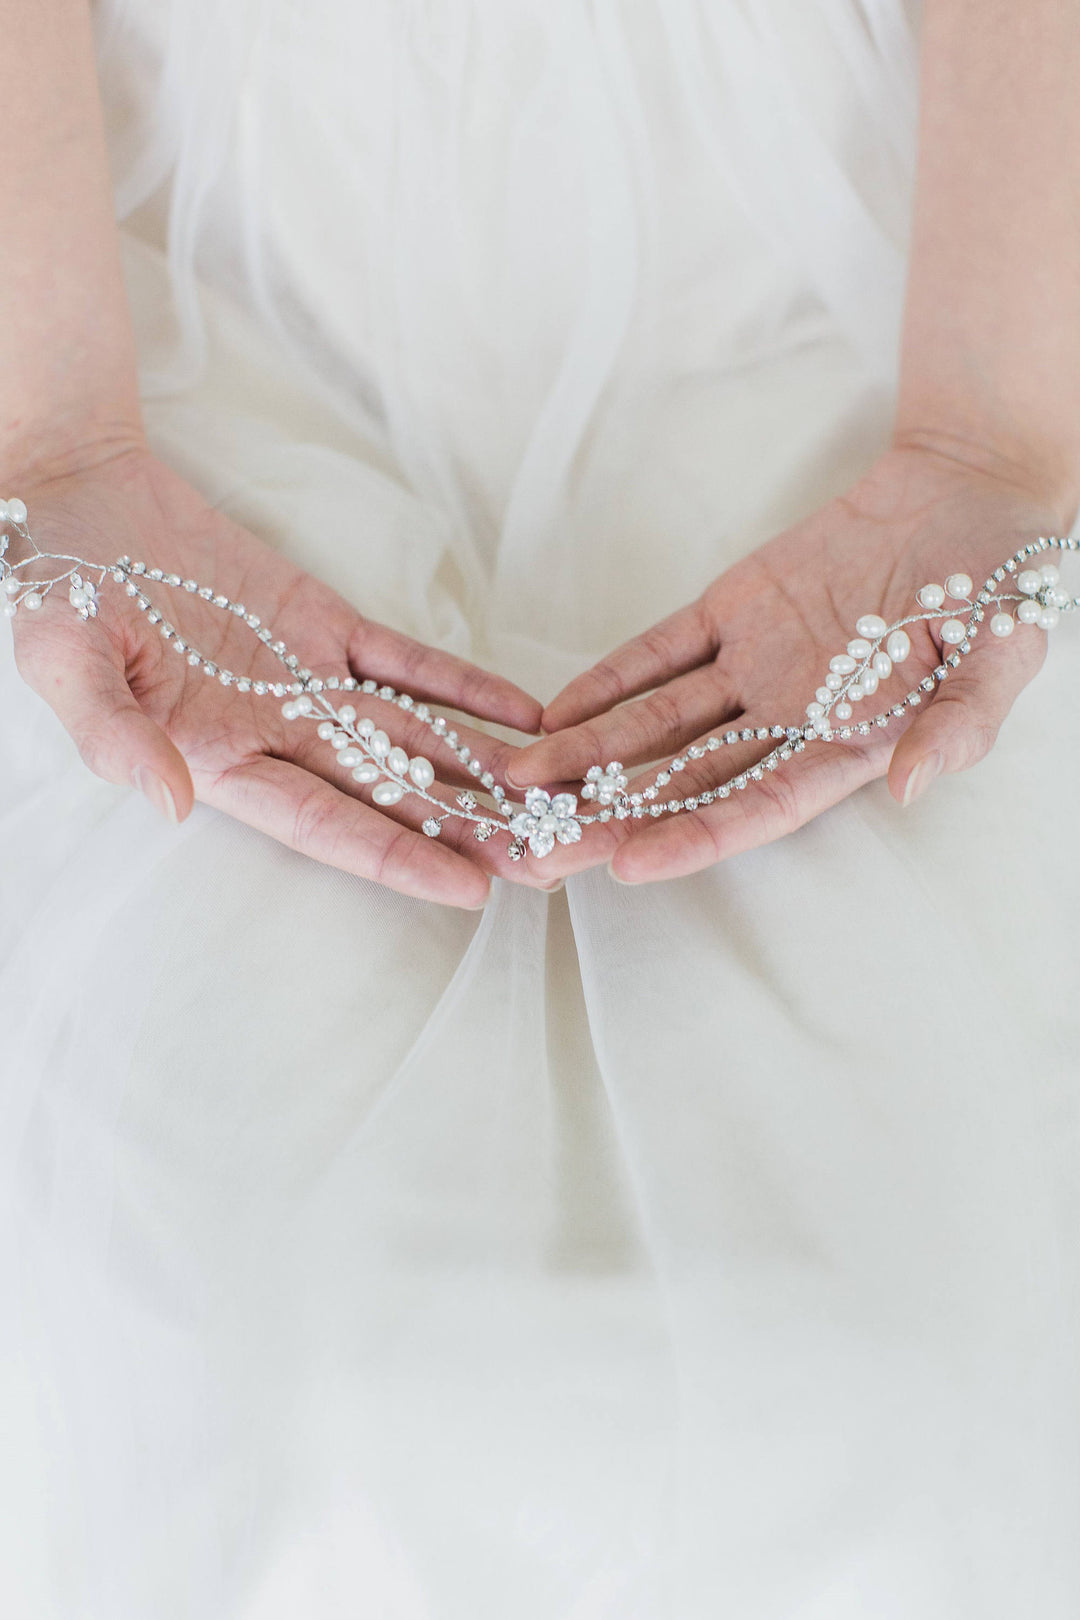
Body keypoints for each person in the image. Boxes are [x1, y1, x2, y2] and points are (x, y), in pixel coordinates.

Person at [1, 1, 1078, 1614]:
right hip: (140, 276)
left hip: (895, 244)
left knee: (912, 1380)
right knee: (241, 1388)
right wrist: (52, 437)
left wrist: (993, 434)